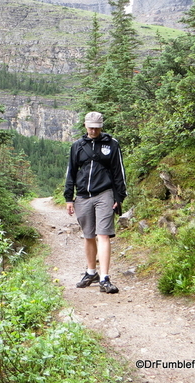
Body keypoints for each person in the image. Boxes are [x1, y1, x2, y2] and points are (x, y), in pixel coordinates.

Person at [63, 111, 127, 294]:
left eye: (96, 128)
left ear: (101, 127)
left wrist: (119, 197)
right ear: (85, 125)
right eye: (91, 127)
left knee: (103, 234)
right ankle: (91, 272)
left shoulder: (111, 144)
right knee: (88, 235)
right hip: (83, 196)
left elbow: (118, 172)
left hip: (105, 194)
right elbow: (71, 173)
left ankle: (105, 278)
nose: (93, 130)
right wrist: (69, 198)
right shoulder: (78, 146)